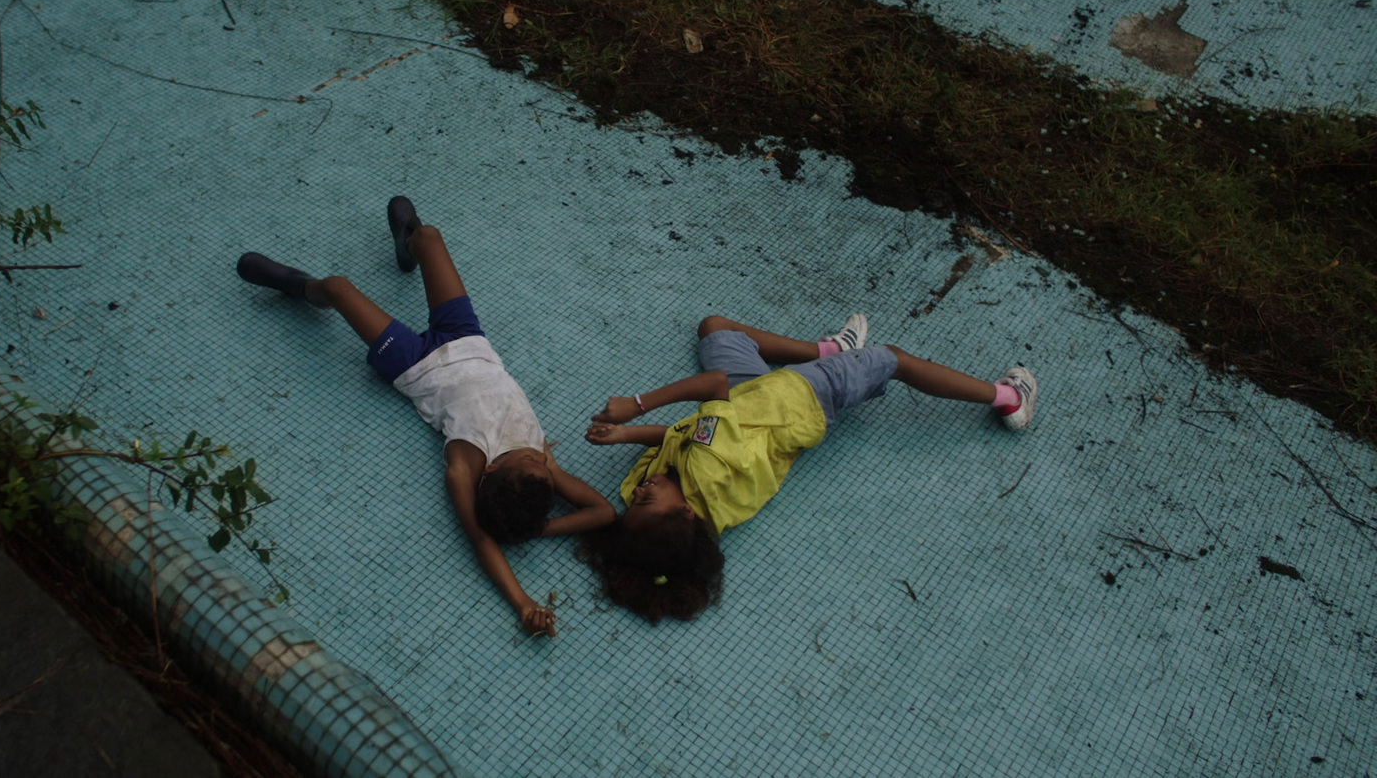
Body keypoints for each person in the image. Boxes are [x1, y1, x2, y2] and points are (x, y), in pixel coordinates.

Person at [236, 197, 614, 636]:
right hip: (467, 339)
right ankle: (407, 245)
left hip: (413, 365)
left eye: (529, 461)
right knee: (429, 236)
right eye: (540, 464)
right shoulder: (540, 474)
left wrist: (523, 601)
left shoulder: (465, 468)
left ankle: (299, 286)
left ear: (492, 468)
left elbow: (480, 538)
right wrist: (542, 528)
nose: (538, 456)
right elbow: (603, 511)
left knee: (339, 288)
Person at [580, 313, 1037, 623]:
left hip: (744, 409)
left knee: (715, 329)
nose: (642, 489)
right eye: (649, 497)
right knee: (894, 359)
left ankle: (831, 349)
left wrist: (624, 437)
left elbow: (681, 437)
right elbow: (713, 387)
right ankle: (1009, 398)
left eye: (639, 499)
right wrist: (636, 408)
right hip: (798, 400)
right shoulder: (708, 467)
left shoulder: (696, 515)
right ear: (686, 515)